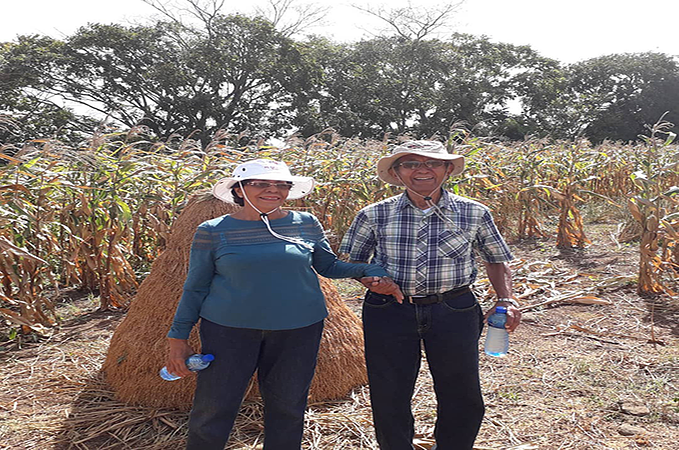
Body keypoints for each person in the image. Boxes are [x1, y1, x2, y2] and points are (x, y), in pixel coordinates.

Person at [165, 159, 403, 450]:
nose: (273, 190)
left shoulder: (305, 223)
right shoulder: (213, 231)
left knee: (288, 407)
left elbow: (327, 266)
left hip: (299, 329)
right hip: (230, 331)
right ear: (239, 189)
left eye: (281, 185)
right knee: (214, 407)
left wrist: (368, 270)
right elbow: (196, 286)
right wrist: (177, 337)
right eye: (261, 184)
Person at [339, 140, 522, 450]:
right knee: (389, 391)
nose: (422, 170)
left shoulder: (474, 212)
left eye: (432, 163)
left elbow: (496, 259)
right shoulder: (373, 214)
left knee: (461, 392)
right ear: (397, 173)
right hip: (389, 309)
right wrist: (371, 279)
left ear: (447, 169)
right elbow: (350, 261)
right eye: (411, 164)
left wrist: (506, 298)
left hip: (454, 308)